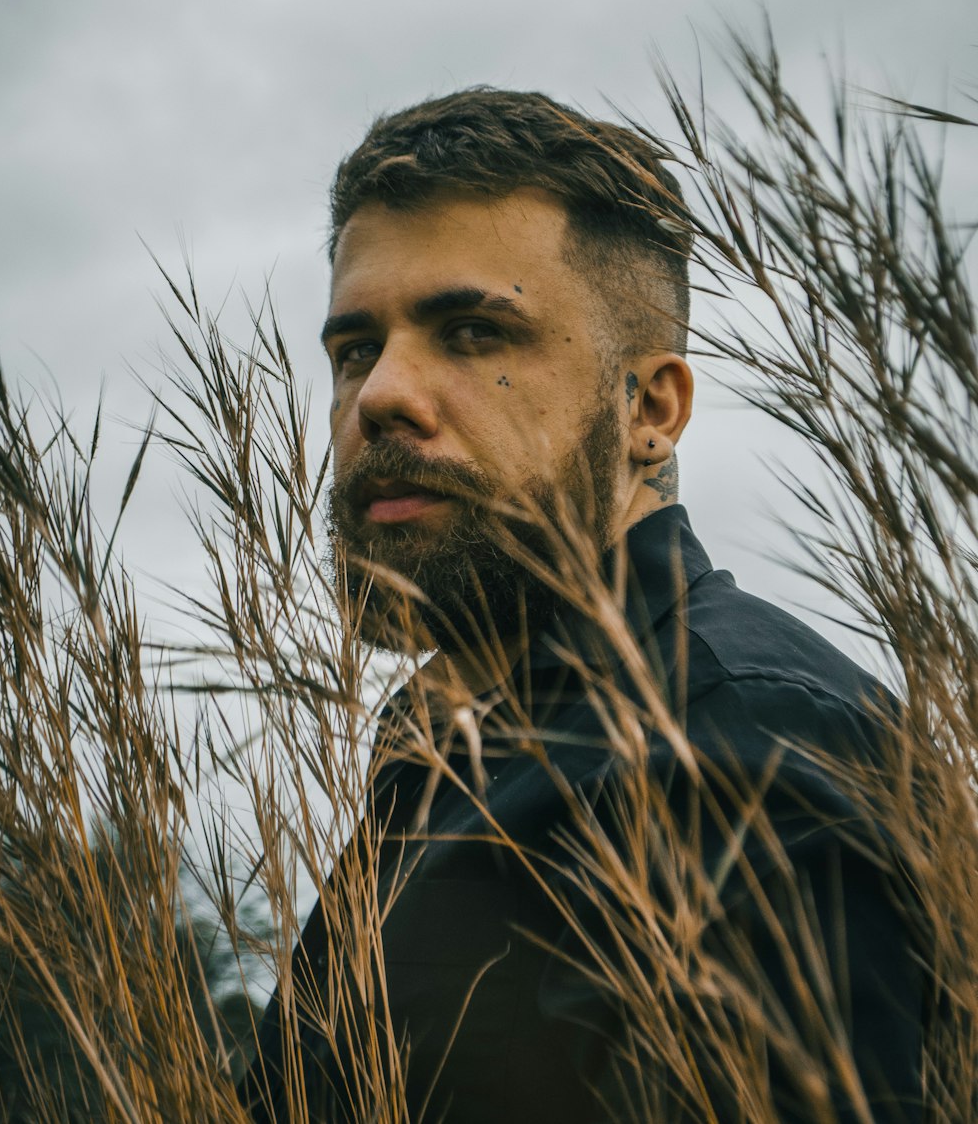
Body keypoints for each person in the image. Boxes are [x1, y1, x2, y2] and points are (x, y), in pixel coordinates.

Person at [240, 89, 925, 1123]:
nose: (380, 392)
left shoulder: (740, 749)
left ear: (649, 408)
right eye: (353, 349)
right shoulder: (436, 752)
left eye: (471, 332)